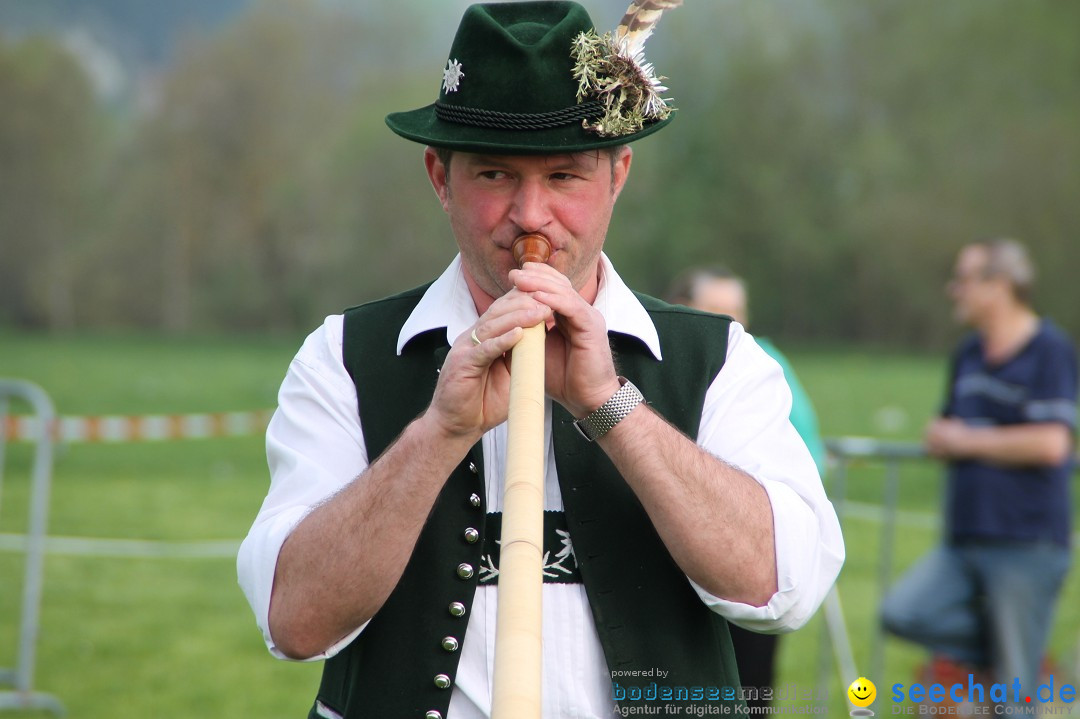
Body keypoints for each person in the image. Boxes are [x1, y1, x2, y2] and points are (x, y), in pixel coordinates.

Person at [237, 3, 844, 718]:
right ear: (439, 176)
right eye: (494, 175)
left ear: (618, 174)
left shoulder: (718, 358)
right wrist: (438, 433)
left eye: (564, 177)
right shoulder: (343, 356)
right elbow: (294, 622)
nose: (530, 214)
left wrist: (613, 408)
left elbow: (784, 589)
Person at [881, 239, 1076, 702]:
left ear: (999, 286)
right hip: (963, 541)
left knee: (1011, 702)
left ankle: (1021, 660)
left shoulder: (1050, 349)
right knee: (903, 612)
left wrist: (966, 441)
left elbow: (1052, 443)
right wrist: (940, 435)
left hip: (1025, 545)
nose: (953, 290)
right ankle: (1021, 655)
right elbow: (945, 425)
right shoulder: (967, 353)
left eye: (963, 279)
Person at [668, 265, 828, 709]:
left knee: (751, 688)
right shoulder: (655, 362)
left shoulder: (763, 363)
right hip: (671, 562)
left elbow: (809, 447)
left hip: (749, 545)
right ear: (679, 310)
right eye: (717, 312)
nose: (732, 325)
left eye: (738, 313)